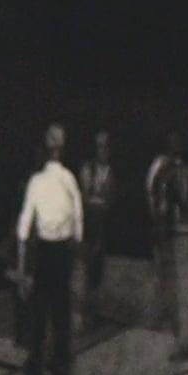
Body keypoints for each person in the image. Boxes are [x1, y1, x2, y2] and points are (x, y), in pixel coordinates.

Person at [11, 123, 84, 375]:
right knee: (61, 327)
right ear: (62, 149)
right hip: (61, 256)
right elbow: (78, 229)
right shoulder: (69, 180)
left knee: (39, 325)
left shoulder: (36, 182)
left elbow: (23, 230)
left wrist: (21, 272)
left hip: (43, 256)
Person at [145, 140, 188, 354]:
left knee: (175, 289)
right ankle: (187, 337)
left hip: (172, 235)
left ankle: (183, 341)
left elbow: (157, 206)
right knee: (187, 288)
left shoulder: (164, 175)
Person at [79, 131, 117, 323]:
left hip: (101, 222)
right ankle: (88, 311)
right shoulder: (89, 169)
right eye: (100, 147)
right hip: (90, 221)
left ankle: (93, 310)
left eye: (105, 147)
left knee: (98, 268)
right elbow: (85, 196)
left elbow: (109, 198)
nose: (103, 151)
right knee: (90, 265)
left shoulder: (109, 171)